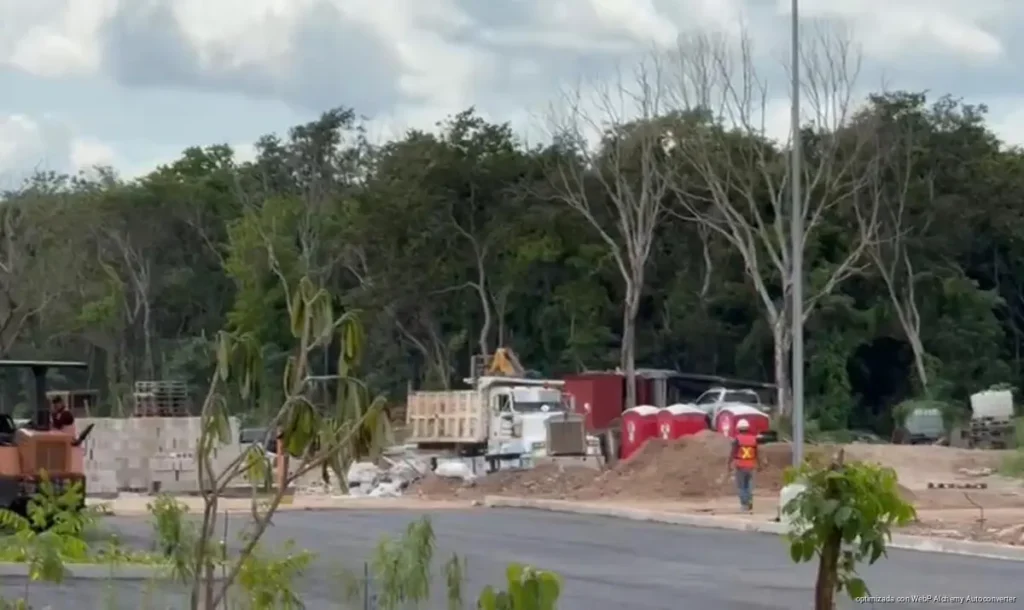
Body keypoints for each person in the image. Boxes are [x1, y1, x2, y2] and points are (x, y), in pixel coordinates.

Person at [727, 418, 762, 512]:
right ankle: (750, 501)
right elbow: (757, 453)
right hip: (751, 465)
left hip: (740, 465)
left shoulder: (737, 439)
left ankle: (744, 505)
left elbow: (733, 452)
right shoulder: (753, 439)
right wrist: (760, 464)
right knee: (749, 485)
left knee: (742, 486)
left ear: (738, 429)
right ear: (747, 428)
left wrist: (729, 464)